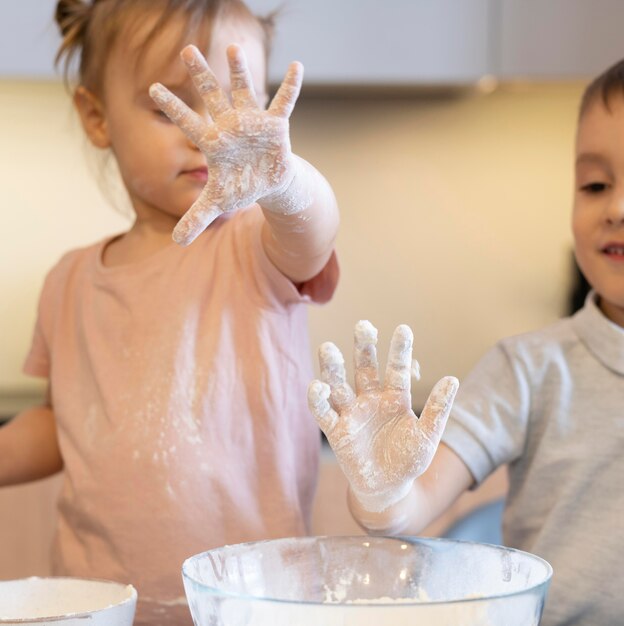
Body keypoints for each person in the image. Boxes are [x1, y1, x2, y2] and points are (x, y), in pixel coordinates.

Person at [0, 0, 339, 623]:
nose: (209, 133)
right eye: (168, 106)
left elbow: (313, 234)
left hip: (251, 608)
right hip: (98, 607)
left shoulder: (254, 249)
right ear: (96, 117)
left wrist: (283, 181)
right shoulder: (69, 281)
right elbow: (65, 423)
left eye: (234, 108)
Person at [308, 58, 624, 626]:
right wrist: (383, 492)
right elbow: (417, 500)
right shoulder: (527, 370)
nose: (616, 209)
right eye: (596, 185)